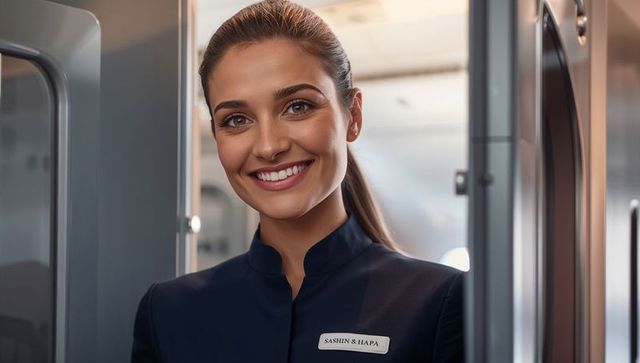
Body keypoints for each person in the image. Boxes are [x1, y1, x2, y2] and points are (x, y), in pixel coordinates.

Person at [131, 1, 464, 362]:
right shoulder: (169, 312)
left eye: (298, 107)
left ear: (352, 116)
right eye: (237, 120)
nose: (269, 146)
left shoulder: (439, 301)